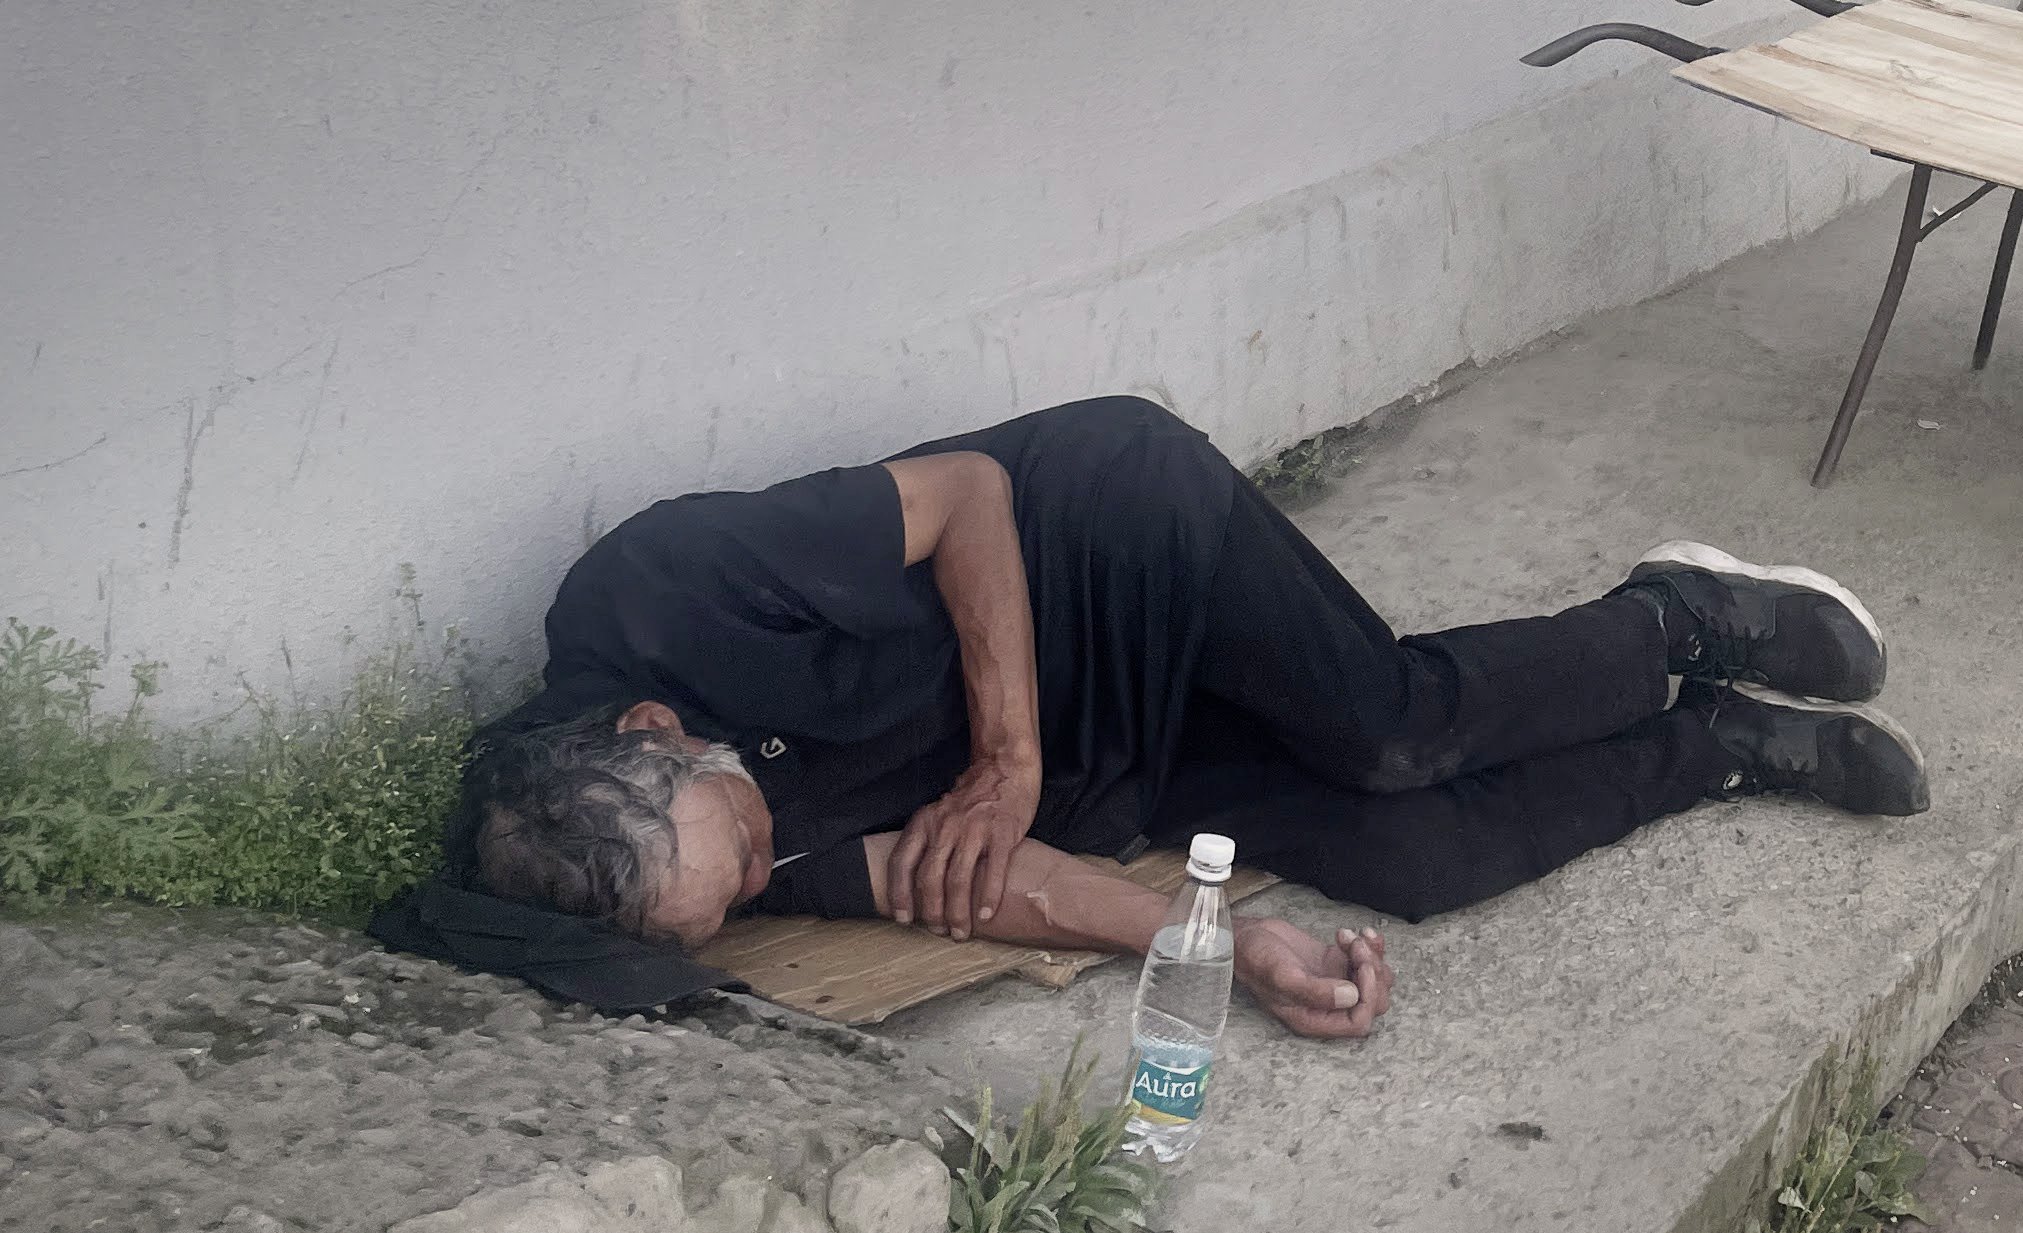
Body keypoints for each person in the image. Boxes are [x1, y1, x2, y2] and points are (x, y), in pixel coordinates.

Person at [449, 395, 1927, 1042]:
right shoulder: (676, 865)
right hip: (1119, 762)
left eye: (742, 845)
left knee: (1389, 729)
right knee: (1415, 859)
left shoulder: (660, 586)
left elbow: (968, 496)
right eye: (731, 906)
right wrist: (1224, 945)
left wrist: (1007, 760)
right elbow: (955, 881)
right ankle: (1715, 747)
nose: (765, 870)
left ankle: (1674, 617)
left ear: (656, 728)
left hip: (1114, 541)